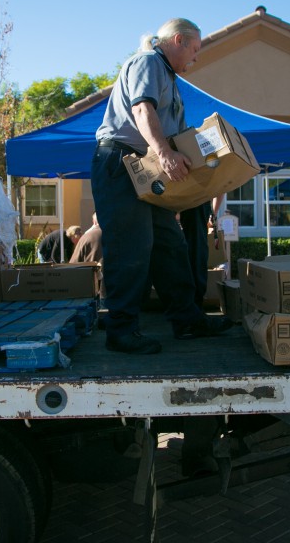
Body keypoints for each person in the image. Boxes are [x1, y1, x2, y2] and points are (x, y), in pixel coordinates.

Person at [91, 18, 229, 355]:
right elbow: (142, 109)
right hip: (121, 164)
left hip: (144, 168)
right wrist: (165, 154)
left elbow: (177, 135)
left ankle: (187, 321)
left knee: (170, 244)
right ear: (178, 40)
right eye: (194, 49)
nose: (195, 58)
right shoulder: (149, 62)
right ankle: (121, 331)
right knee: (130, 249)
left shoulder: (169, 78)